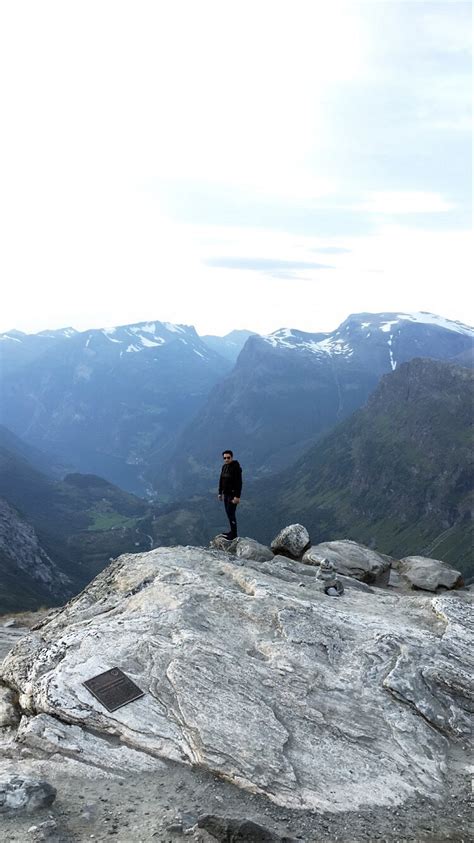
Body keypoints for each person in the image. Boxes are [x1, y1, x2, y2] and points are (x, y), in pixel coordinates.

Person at [218, 450, 242, 539]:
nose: (226, 459)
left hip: (232, 495)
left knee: (231, 514)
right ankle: (232, 531)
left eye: (228, 457)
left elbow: (239, 483)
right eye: (225, 458)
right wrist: (220, 492)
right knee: (228, 513)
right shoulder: (224, 467)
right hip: (226, 494)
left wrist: (237, 496)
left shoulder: (236, 468)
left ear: (232, 457)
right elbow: (221, 480)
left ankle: (234, 534)